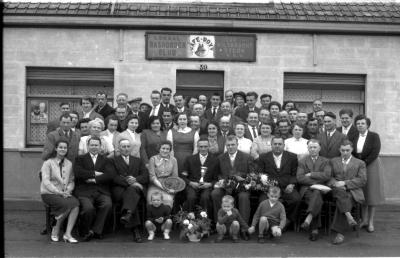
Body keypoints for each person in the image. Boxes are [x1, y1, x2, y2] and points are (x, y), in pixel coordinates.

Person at [211, 135, 254, 240]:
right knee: (215, 193)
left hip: (241, 187)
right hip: (226, 187)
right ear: (226, 146)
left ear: (237, 145)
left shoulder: (247, 157)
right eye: (228, 145)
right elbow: (217, 174)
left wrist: (243, 179)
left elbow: (251, 175)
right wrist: (222, 181)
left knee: (244, 197)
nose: (230, 147)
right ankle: (220, 226)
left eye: (233, 145)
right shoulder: (220, 158)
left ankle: (243, 229)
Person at [74, 136, 115, 241]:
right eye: (92, 145)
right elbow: (78, 173)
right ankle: (84, 230)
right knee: (88, 209)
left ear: (100, 146)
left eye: (96, 145)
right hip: (84, 190)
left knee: (107, 205)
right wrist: (94, 173)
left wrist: (94, 180)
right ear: (87, 146)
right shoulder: (80, 158)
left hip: (101, 190)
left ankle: (95, 231)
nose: (94, 147)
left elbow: (110, 175)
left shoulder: (106, 160)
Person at [327, 140, 366, 245]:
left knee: (344, 200)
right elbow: (328, 177)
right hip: (335, 190)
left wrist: (344, 183)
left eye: (347, 150)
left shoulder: (360, 163)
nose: (345, 153)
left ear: (352, 149)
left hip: (352, 191)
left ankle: (340, 232)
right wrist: (336, 183)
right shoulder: (333, 161)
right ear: (339, 150)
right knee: (341, 195)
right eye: (343, 150)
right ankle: (348, 217)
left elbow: (362, 180)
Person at [40, 139, 80, 243]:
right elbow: (46, 181)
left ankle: (67, 234)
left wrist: (68, 190)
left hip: (64, 193)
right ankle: (56, 228)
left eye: (65, 148)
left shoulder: (69, 163)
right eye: (60, 147)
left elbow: (71, 180)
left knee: (75, 204)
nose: (63, 149)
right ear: (56, 148)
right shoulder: (48, 163)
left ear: (67, 150)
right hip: (49, 193)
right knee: (66, 204)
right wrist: (58, 192)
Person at [257, 136, 300, 230]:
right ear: (271, 145)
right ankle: (268, 224)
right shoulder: (263, 157)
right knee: (263, 201)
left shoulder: (292, 157)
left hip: (286, 188)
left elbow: (294, 174)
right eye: (275, 144)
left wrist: (292, 184)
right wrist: (267, 186)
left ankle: (286, 222)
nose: (277, 146)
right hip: (269, 189)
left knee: (296, 199)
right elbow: (260, 174)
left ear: (284, 145)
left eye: (280, 144)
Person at [111, 139, 148, 243]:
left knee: (132, 193)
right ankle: (133, 224)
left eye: (128, 146)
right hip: (120, 190)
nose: (126, 149)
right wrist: (130, 182)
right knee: (132, 196)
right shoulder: (113, 160)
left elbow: (145, 176)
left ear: (131, 148)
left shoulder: (138, 160)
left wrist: (136, 180)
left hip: (136, 189)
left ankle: (129, 215)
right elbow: (113, 177)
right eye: (123, 146)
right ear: (119, 148)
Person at [352, 115, 384, 233]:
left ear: (367, 125)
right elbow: (353, 151)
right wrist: (357, 163)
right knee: (362, 192)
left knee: (371, 193)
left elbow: (375, 151)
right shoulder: (354, 136)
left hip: (371, 165)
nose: (360, 125)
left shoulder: (374, 136)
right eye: (358, 123)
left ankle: (370, 222)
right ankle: (363, 220)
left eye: (363, 123)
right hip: (358, 165)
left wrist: (364, 163)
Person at [296, 139, 332, 241]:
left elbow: (327, 175)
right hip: (307, 189)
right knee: (316, 198)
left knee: (316, 195)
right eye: (310, 147)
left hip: (322, 190)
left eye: (315, 147)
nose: (313, 149)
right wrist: (315, 183)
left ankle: (310, 220)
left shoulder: (326, 161)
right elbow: (300, 178)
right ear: (307, 148)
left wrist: (311, 174)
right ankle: (314, 229)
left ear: (319, 148)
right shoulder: (302, 161)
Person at [181, 138, 218, 212]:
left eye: (205, 146)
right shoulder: (189, 159)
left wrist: (210, 184)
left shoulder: (215, 160)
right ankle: (189, 220)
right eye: (201, 147)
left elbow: (217, 178)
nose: (203, 149)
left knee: (205, 198)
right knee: (191, 197)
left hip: (207, 186)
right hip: (192, 185)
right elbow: (183, 176)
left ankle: (205, 221)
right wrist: (191, 183)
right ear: (197, 147)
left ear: (209, 147)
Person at [147, 141, 178, 208]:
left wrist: (172, 188)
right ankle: (151, 218)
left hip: (169, 185)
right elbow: (152, 177)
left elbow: (175, 177)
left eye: (167, 149)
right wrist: (163, 188)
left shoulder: (173, 160)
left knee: (168, 200)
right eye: (163, 148)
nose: (165, 151)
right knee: (152, 200)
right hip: (156, 184)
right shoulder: (153, 159)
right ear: (159, 149)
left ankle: (167, 218)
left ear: (170, 150)